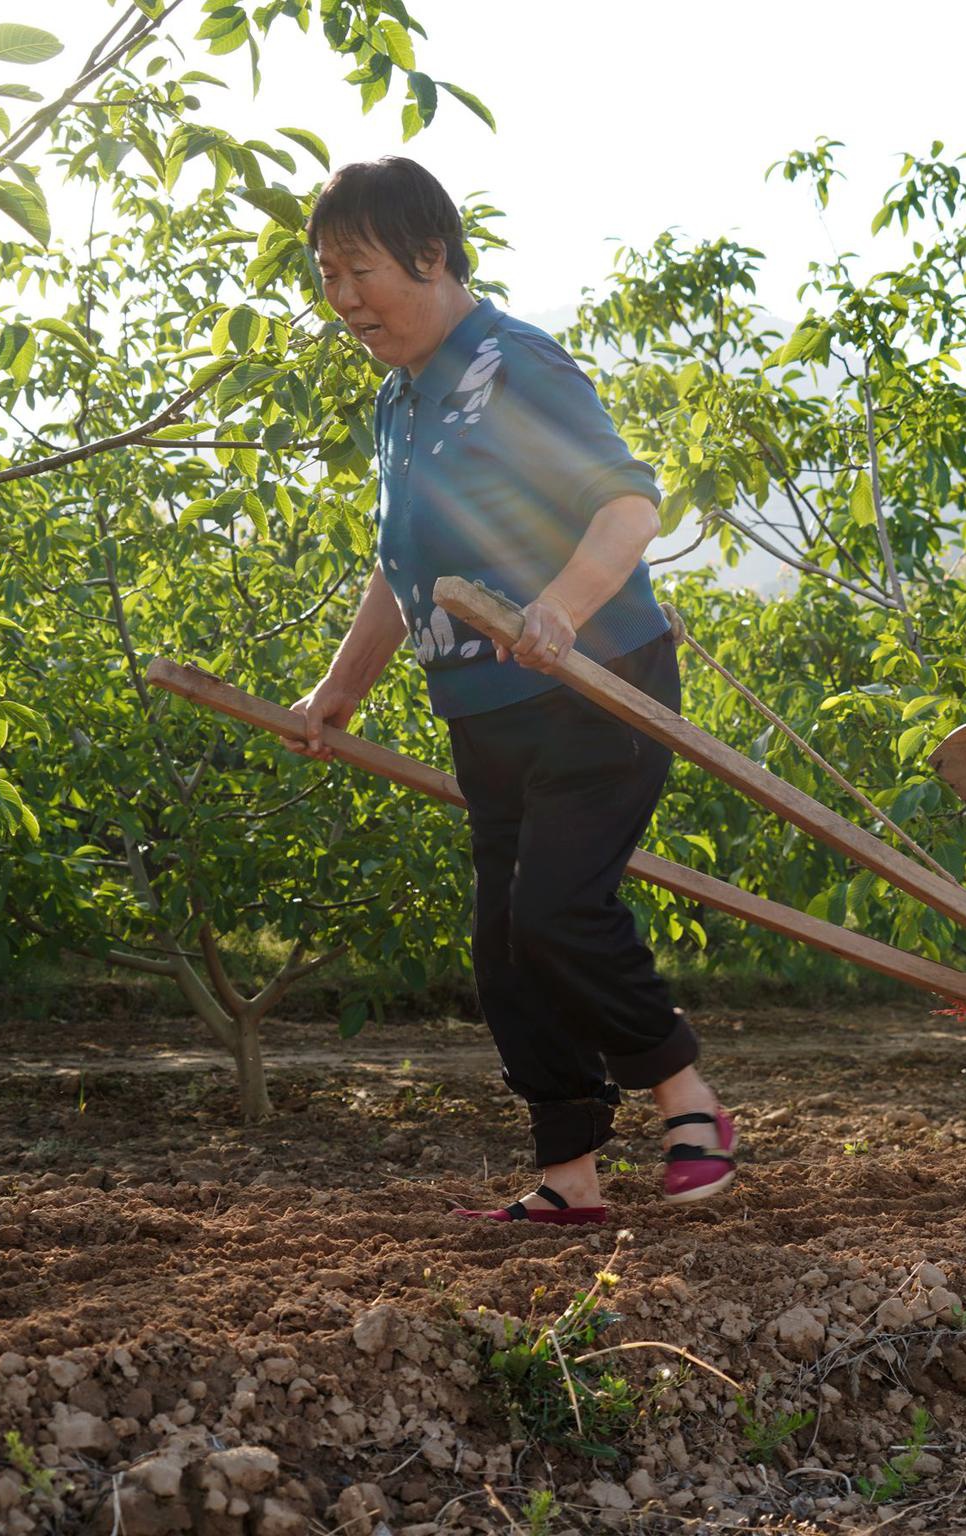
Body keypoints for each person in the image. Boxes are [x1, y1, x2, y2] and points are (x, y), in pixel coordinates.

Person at [285, 157, 734, 1222]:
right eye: (325, 277)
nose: (342, 299)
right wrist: (335, 692)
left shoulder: (511, 362)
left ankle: (687, 1096)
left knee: (556, 912)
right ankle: (570, 1172)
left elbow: (629, 506)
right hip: (484, 715)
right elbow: (402, 572)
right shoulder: (398, 403)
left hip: (595, 686)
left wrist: (562, 608)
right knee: (502, 954)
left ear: (430, 255)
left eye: (358, 271)